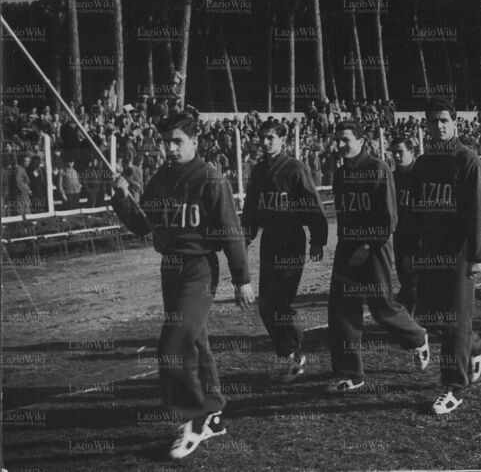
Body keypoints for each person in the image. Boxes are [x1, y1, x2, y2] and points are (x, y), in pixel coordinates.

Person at [111, 111, 254, 460]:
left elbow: (230, 231)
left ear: (194, 142)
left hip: (199, 268)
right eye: (167, 143)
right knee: (196, 341)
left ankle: (193, 418)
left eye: (178, 142)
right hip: (170, 268)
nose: (171, 149)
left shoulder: (210, 178)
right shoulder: (161, 179)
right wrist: (122, 198)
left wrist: (242, 279)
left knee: (173, 343)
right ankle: (214, 412)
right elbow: (143, 226)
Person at [326, 120, 429, 394]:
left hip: (375, 247)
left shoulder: (377, 168)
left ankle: (417, 336)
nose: (341, 145)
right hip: (347, 248)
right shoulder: (340, 174)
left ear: (361, 141)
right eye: (338, 140)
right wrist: (346, 247)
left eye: (346, 139)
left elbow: (389, 218)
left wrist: (366, 246)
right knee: (341, 310)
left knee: (381, 307)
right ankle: (351, 373)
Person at [406, 99, 481, 414]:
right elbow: (413, 211)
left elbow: (480, 211)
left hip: (459, 252)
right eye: (433, 121)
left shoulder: (467, 160)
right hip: (431, 250)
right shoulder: (423, 163)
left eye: (444, 120)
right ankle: (475, 345)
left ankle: (454, 387)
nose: (438, 126)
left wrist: (477, 253)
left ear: (455, 123)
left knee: (455, 320)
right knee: (433, 316)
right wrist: (412, 250)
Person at [241, 121, 328, 383]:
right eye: (262, 138)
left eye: (271, 138)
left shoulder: (295, 168)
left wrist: (317, 239)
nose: (266, 142)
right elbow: (251, 207)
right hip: (270, 240)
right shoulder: (258, 171)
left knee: (280, 302)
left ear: (283, 140)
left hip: (291, 239)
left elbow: (312, 203)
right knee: (266, 304)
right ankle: (288, 353)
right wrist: (245, 237)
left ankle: (294, 353)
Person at [389, 136, 418, 314]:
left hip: (419, 234)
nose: (397, 156)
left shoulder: (421, 175)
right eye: (394, 153)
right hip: (399, 234)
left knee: (413, 277)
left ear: (411, 152)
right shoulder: (392, 178)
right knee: (404, 275)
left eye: (400, 152)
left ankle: (408, 317)